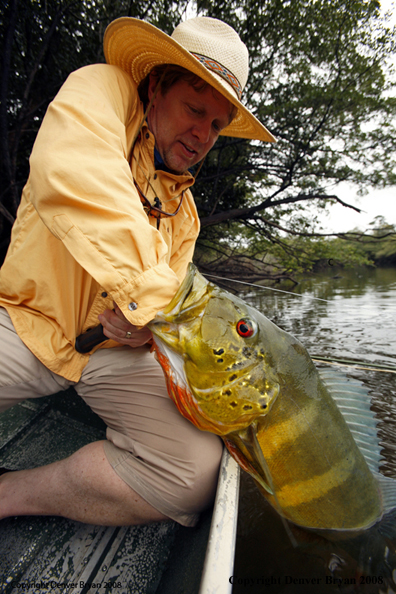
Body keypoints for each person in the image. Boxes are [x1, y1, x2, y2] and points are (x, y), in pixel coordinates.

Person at [0, 16, 275, 527]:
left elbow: (156, 319)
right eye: (195, 110)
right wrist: (153, 305)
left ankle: (10, 494)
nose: (202, 135)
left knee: (193, 472)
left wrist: (138, 334)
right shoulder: (99, 90)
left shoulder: (185, 216)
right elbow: (77, 174)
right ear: (155, 87)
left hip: (102, 358)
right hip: (24, 326)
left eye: (216, 125)